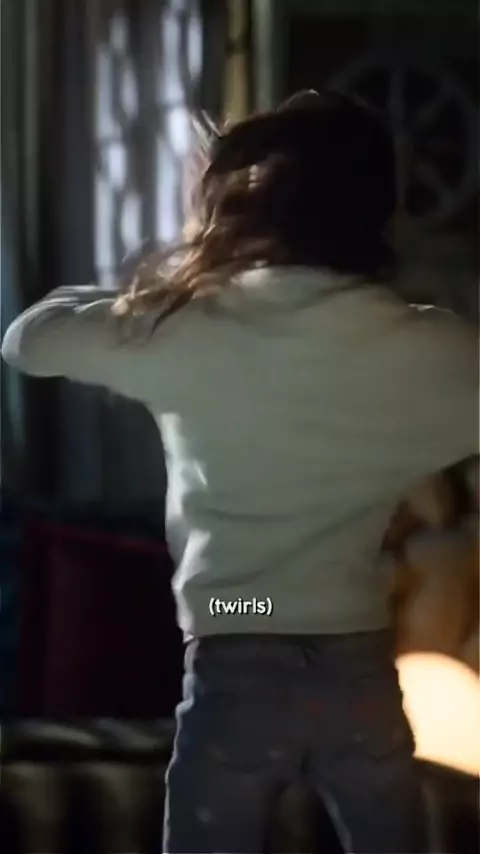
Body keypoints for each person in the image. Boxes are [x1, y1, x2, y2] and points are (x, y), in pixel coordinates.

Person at [2, 90, 478, 853]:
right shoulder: (431, 347)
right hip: (355, 656)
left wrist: (155, 297)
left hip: (236, 638)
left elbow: (28, 340)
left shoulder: (182, 327)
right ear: (377, 211)